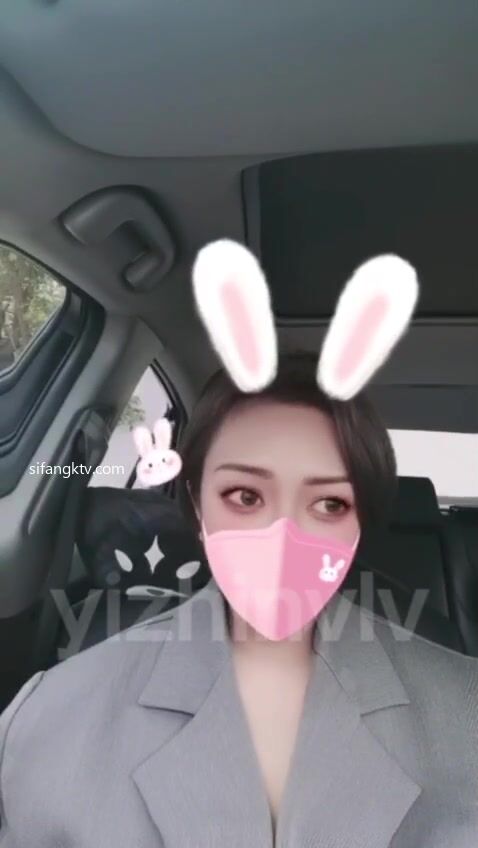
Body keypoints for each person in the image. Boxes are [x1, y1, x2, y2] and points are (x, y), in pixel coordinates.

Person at [0, 350, 477, 848]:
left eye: (329, 503)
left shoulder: (466, 715)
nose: (283, 539)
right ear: (196, 503)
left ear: (360, 522)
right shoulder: (50, 720)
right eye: (246, 497)